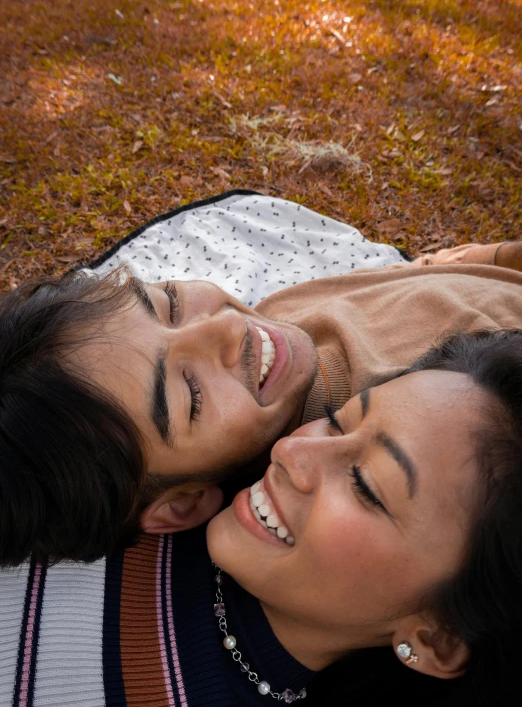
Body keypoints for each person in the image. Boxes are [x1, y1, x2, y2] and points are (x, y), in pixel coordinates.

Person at [2, 329, 522, 707]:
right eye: (338, 422)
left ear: (436, 637)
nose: (292, 450)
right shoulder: (161, 477)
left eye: (366, 486)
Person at [0, 219, 521, 564]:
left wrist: (490, 255)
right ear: (181, 504)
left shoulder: (276, 335)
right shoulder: (440, 405)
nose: (224, 330)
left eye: (170, 304)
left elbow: (424, 275)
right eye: (190, 393)